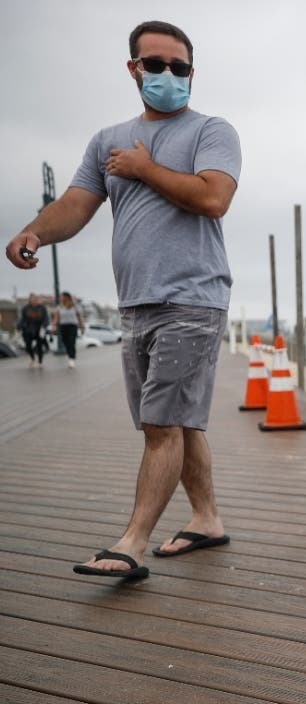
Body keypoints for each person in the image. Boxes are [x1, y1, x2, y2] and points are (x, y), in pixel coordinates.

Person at [5, 20, 241, 580]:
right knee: (176, 424)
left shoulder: (213, 131)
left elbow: (214, 199)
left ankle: (131, 543)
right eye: (155, 64)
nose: (167, 75)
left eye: (179, 67)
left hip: (193, 298)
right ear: (133, 69)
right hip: (135, 304)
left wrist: (144, 168)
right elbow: (76, 203)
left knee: (162, 424)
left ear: (191, 73)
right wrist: (35, 232)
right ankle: (207, 519)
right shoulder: (107, 140)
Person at [51, 291, 85, 368]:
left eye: (62, 296)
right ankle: (70, 355)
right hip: (63, 326)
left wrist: (82, 326)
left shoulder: (74, 306)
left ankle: (72, 359)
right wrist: (54, 326)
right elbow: (56, 318)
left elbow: (79, 317)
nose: (60, 298)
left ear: (66, 297)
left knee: (71, 342)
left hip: (73, 326)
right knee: (65, 342)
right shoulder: (59, 307)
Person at [17, 293, 49, 367]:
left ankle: (40, 361)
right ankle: (32, 358)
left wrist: (44, 326)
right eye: (32, 299)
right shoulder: (26, 308)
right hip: (28, 329)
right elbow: (22, 319)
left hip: (39, 329)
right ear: (30, 300)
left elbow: (46, 319)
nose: (34, 301)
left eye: (35, 299)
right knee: (28, 346)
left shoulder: (42, 308)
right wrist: (19, 326)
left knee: (39, 346)